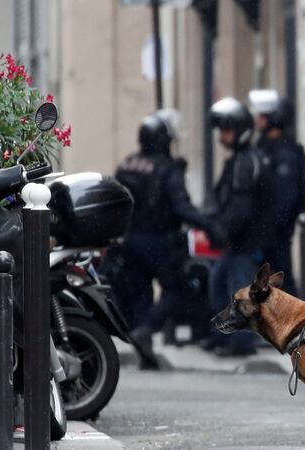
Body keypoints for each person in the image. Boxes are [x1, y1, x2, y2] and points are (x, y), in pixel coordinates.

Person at [111, 110, 223, 369]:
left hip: (129, 241)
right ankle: (148, 330)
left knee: (141, 294)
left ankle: (145, 348)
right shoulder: (167, 169)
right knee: (179, 287)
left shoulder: (127, 165)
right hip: (160, 241)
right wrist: (209, 227)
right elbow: (182, 207)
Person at [203, 97, 269, 357]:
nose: (223, 135)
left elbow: (241, 207)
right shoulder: (240, 160)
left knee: (239, 293)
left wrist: (222, 230)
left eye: (227, 129)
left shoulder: (247, 161)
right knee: (218, 285)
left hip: (244, 243)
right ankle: (225, 338)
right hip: (235, 243)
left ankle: (241, 343)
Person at [247, 89, 305, 296]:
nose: (258, 121)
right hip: (262, 231)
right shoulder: (264, 146)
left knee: (280, 282)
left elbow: (284, 199)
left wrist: (268, 233)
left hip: (274, 233)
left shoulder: (284, 153)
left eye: (263, 116)